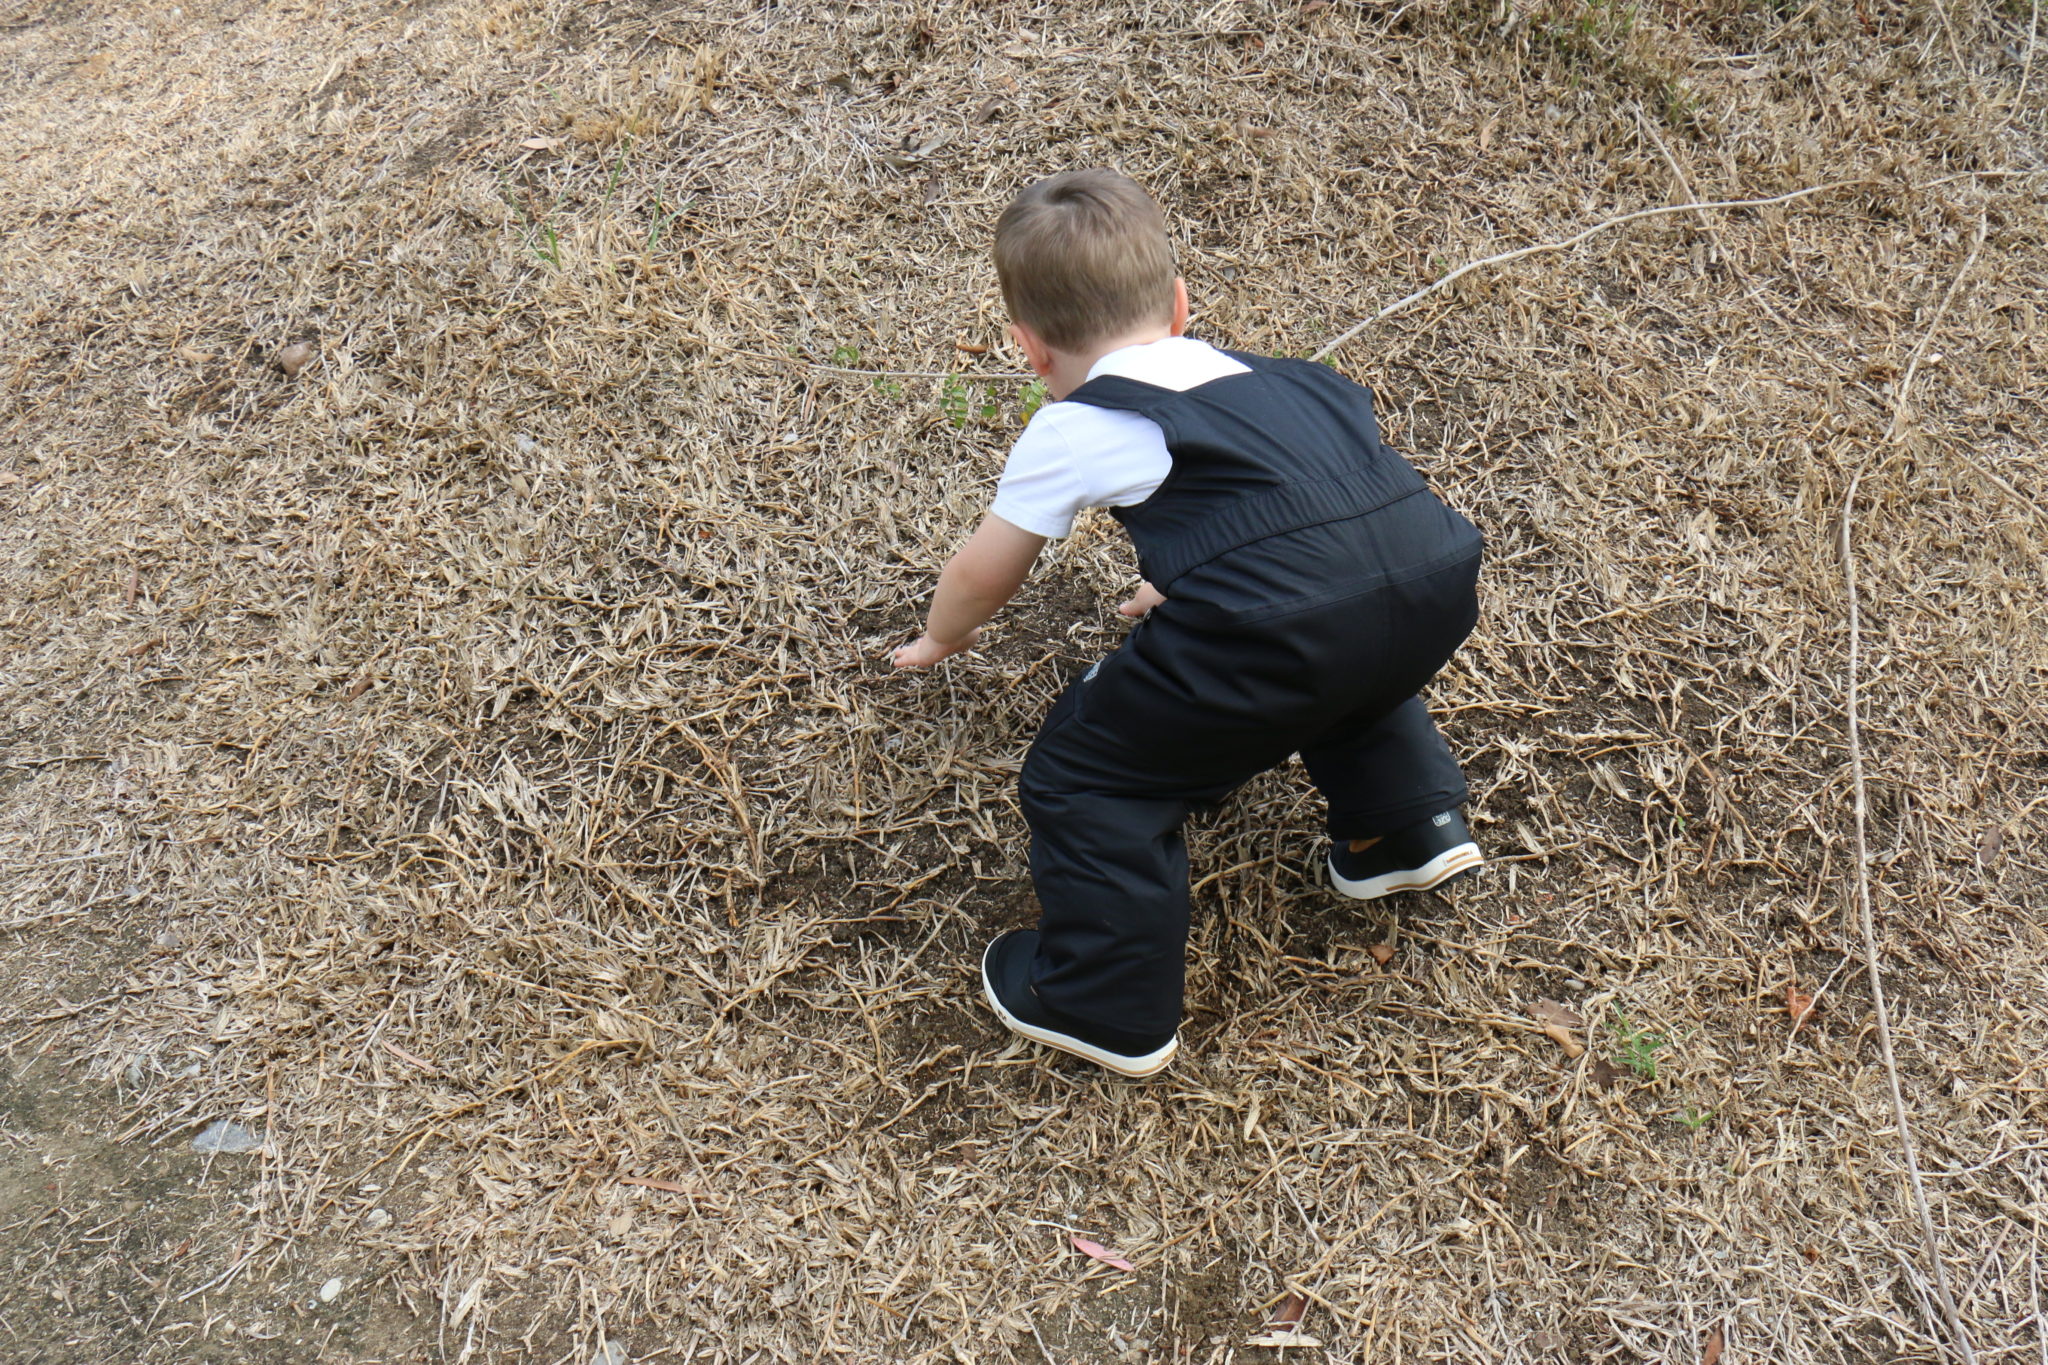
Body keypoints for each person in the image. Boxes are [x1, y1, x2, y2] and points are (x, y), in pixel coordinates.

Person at [892, 168, 1484, 1078]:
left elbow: (985, 570)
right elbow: (1305, 519)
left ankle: (1104, 1004)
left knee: (1086, 775)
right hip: (1431, 582)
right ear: (1179, 303)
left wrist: (944, 634)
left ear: (1030, 350)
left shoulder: (1076, 423)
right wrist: (1191, 582)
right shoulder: (1293, 381)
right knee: (1354, 664)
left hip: (1278, 628)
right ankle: (1407, 827)